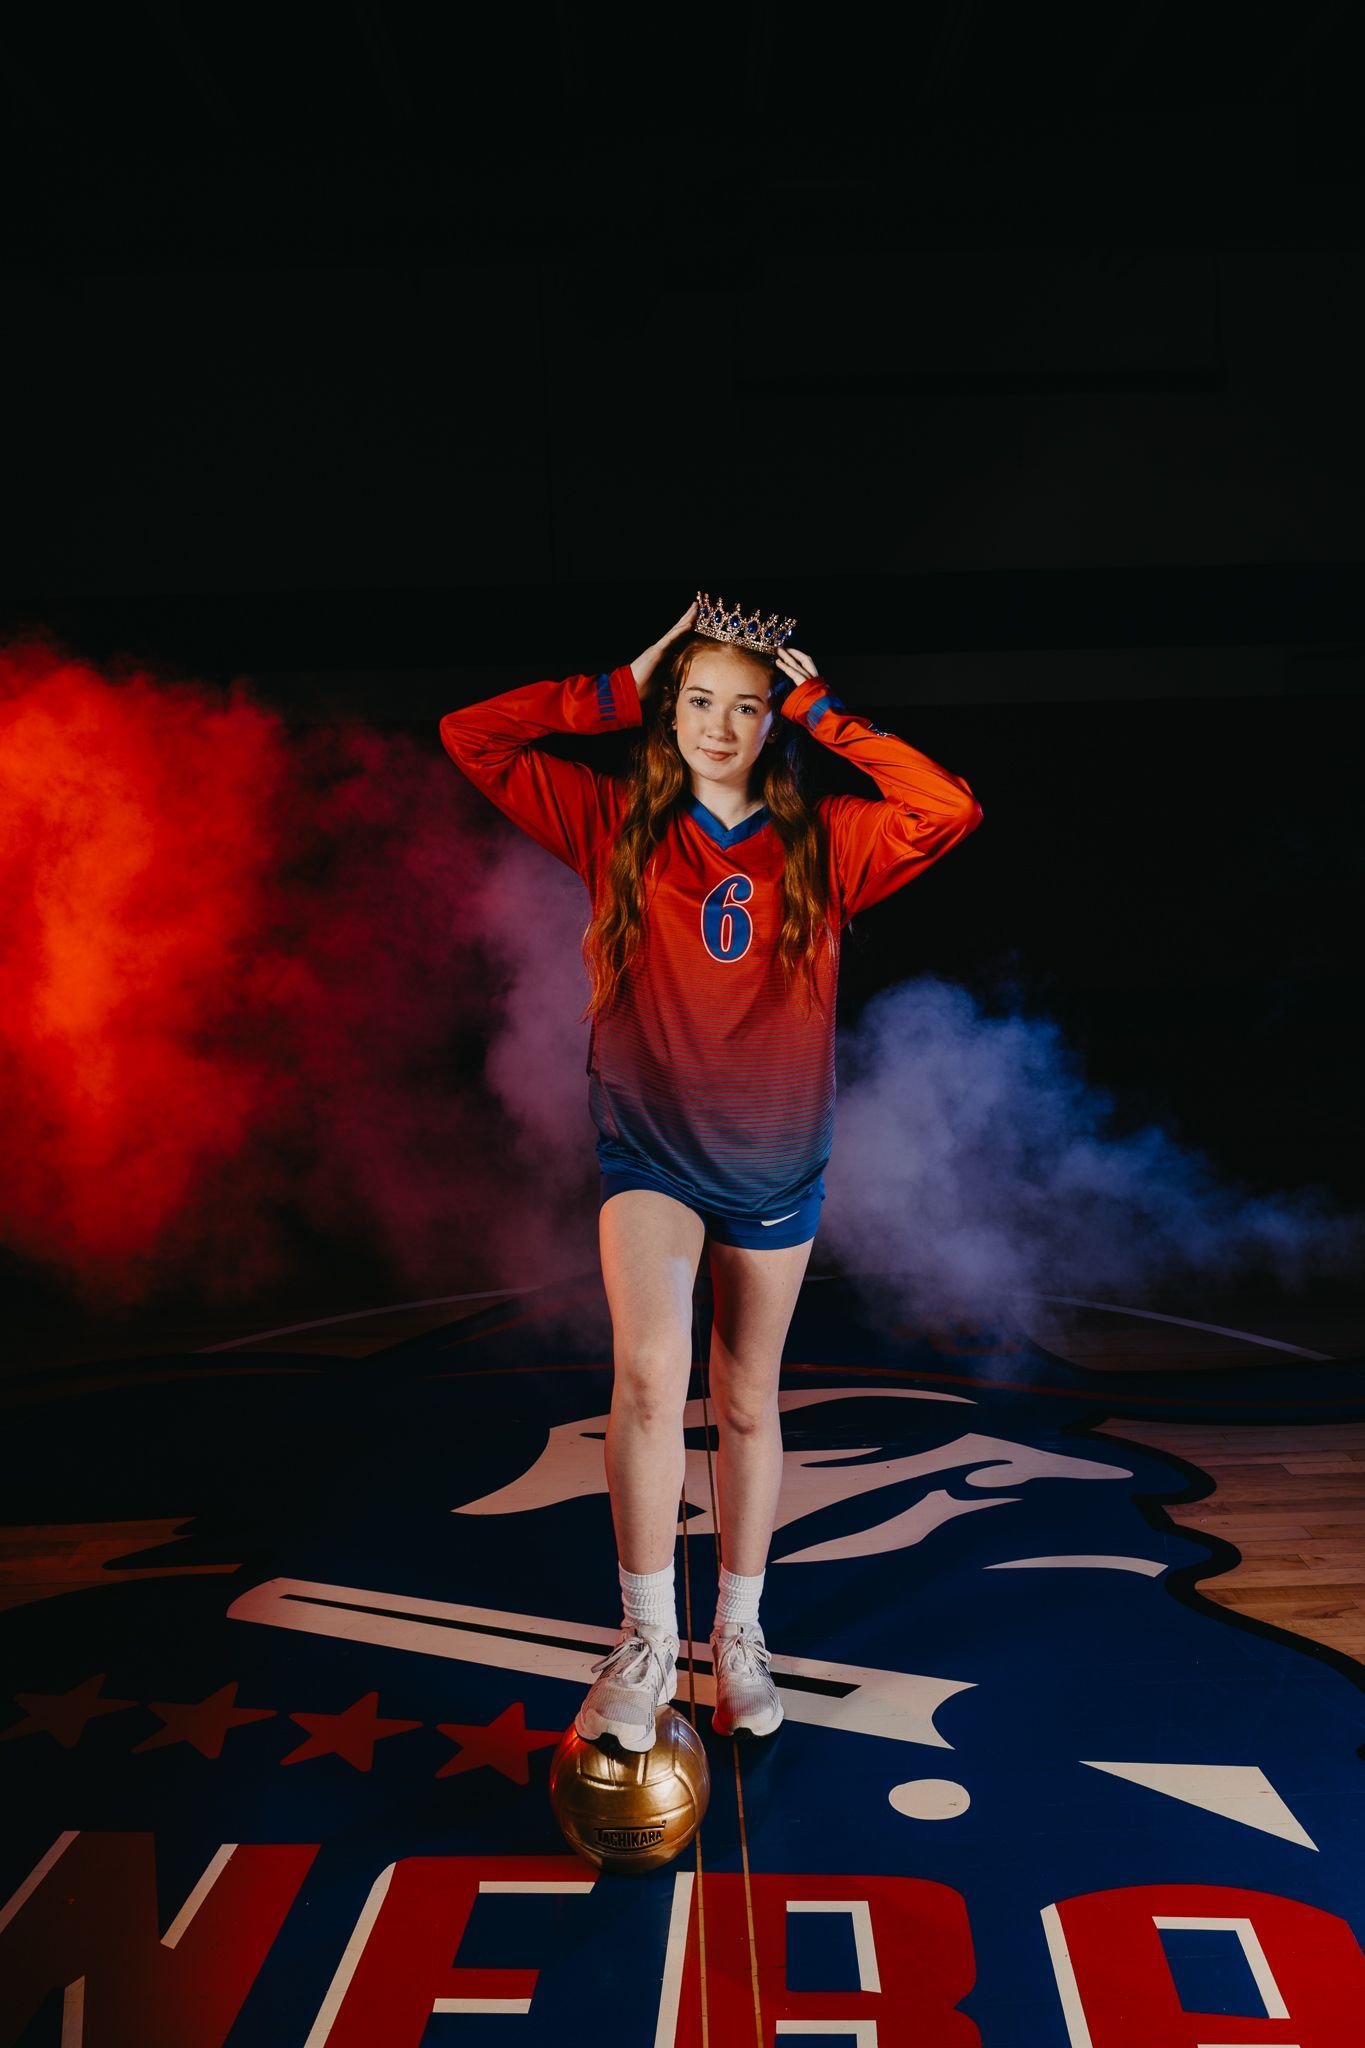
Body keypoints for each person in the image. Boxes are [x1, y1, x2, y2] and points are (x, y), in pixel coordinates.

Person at [439, 592, 983, 1751]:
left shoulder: (828, 839)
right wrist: (615, 685)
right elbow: (471, 735)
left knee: (743, 1398)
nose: (719, 727)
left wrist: (827, 709)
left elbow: (948, 805)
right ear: (667, 710)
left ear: (773, 718)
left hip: (777, 1158)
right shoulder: (611, 819)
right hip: (651, 1148)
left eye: (746, 706)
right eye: (696, 701)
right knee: (646, 1379)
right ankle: (643, 1640)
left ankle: (739, 1633)